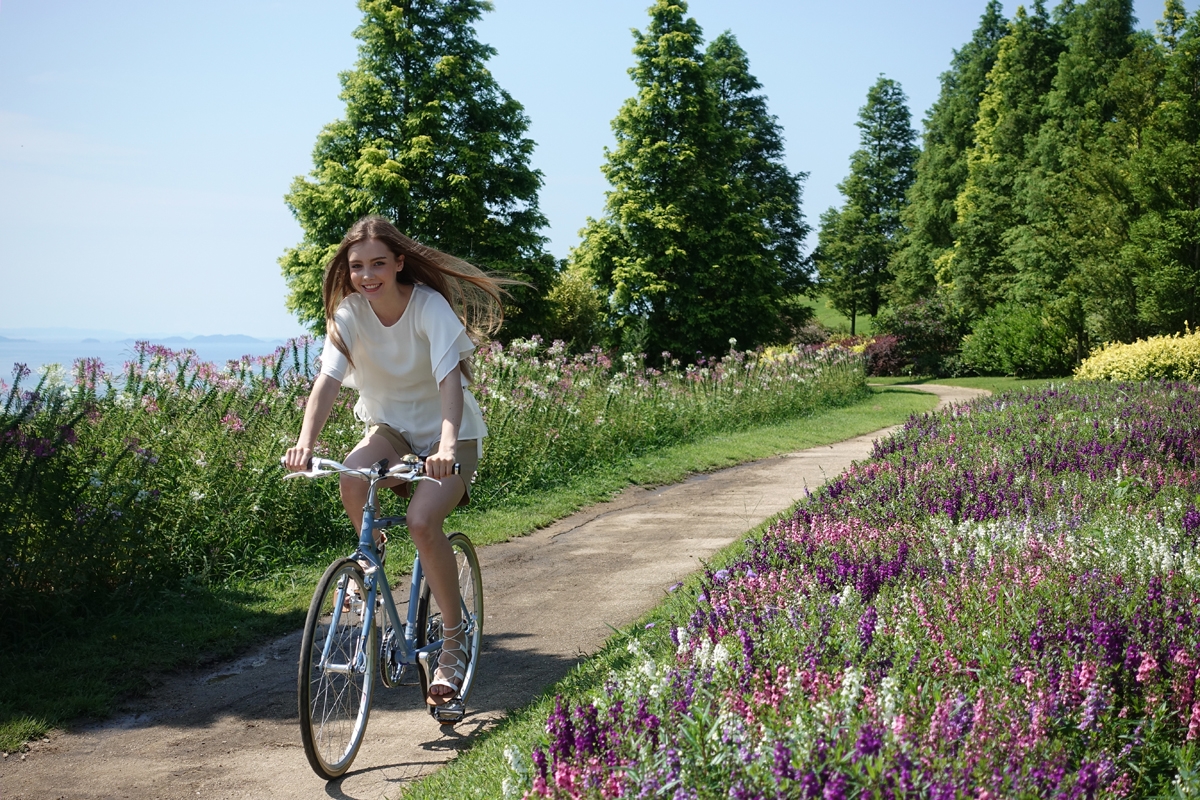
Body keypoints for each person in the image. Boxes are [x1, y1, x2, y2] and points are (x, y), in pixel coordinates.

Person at [284, 215, 504, 707]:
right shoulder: (348, 314)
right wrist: (305, 443)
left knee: (422, 521)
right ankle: (370, 555)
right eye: (357, 265)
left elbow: (451, 382)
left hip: (452, 434)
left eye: (378, 263)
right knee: (351, 474)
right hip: (393, 429)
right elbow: (327, 383)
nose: (367, 274)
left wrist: (446, 448)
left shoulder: (429, 308)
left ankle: (451, 644)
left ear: (399, 262)